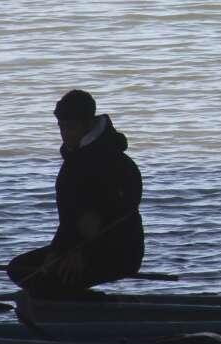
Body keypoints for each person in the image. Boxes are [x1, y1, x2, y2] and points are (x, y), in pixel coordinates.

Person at [8, 90, 145, 297]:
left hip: (119, 251)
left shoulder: (115, 163)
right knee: (21, 270)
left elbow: (113, 219)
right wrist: (56, 252)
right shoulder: (74, 161)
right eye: (61, 127)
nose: (65, 134)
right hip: (79, 247)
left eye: (71, 127)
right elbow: (69, 219)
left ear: (88, 125)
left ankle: (95, 310)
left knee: (46, 284)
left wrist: (80, 253)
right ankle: (77, 305)